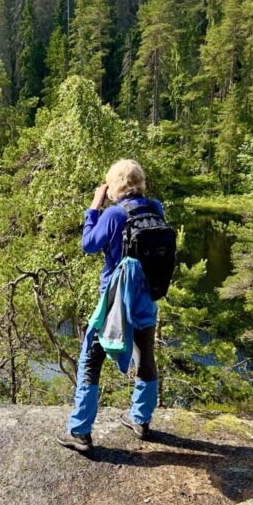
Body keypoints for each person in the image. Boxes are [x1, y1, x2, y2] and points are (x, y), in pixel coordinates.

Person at [61, 159, 162, 452]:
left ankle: (80, 431)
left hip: (115, 301)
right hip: (147, 297)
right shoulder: (155, 207)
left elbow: (89, 245)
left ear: (114, 185)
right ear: (141, 182)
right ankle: (140, 420)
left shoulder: (114, 214)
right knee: (145, 358)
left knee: (91, 359)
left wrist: (94, 207)